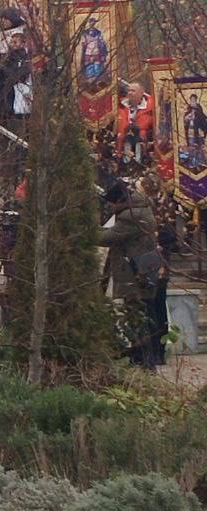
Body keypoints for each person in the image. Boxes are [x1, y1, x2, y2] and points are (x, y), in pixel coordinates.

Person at [98, 182, 162, 370]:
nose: (109, 207)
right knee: (143, 315)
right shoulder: (141, 209)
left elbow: (108, 238)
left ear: (118, 201)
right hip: (143, 270)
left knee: (138, 317)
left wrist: (84, 230)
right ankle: (143, 357)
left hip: (134, 274)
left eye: (110, 204)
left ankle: (144, 360)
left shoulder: (130, 217)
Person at [116, 82, 155, 166]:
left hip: (142, 145)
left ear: (141, 92)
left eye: (133, 91)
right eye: (129, 90)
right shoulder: (120, 106)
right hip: (121, 144)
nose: (130, 93)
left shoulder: (151, 108)